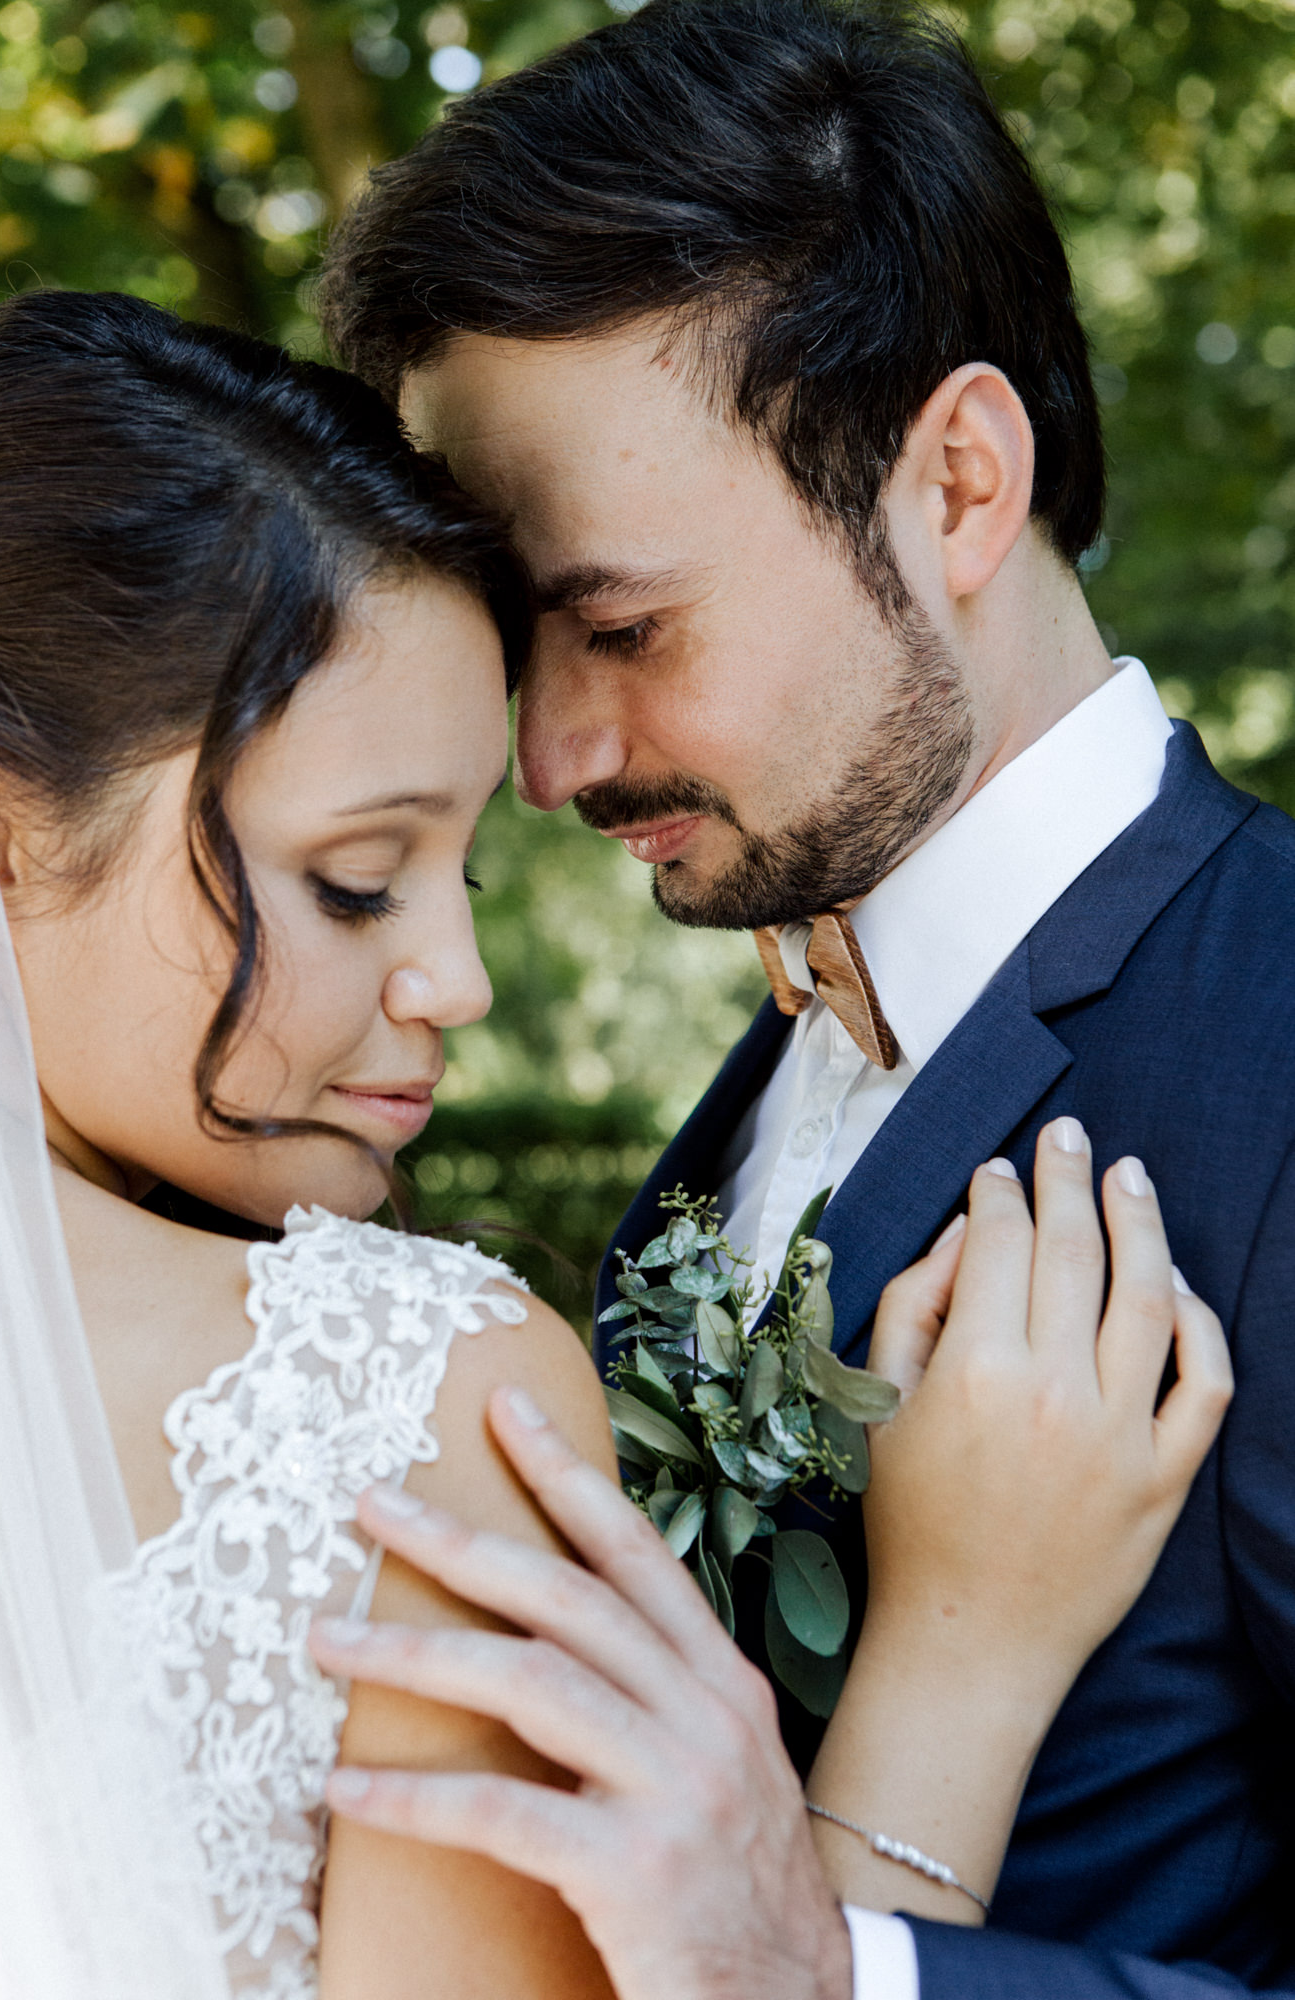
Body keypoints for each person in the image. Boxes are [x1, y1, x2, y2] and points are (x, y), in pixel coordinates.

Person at [0, 283, 1219, 2000]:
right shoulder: (394, 1400)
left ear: (961, 484)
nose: (459, 983)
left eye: (455, 871)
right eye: (354, 880)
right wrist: (954, 1665)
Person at [316, 1, 1295, 1995]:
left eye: (619, 625)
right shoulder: (771, 1052)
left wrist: (837, 1973)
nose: (555, 758)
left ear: (952, 485)